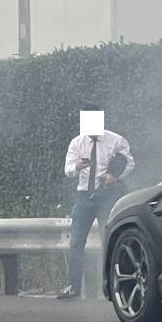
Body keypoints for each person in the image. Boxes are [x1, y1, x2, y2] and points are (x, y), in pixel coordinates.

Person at [58, 105, 134, 300]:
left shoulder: (116, 140)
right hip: (84, 196)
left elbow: (129, 163)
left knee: (108, 241)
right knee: (76, 242)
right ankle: (73, 286)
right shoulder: (77, 142)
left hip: (107, 195)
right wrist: (77, 166)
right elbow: (68, 171)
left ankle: (111, 286)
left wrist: (112, 176)